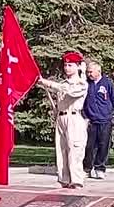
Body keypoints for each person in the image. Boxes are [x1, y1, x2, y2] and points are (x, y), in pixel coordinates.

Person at [37, 52, 90, 189]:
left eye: (70, 65)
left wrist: (47, 83)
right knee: (61, 150)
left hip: (74, 118)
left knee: (75, 150)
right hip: (61, 118)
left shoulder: (81, 83)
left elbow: (69, 91)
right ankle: (64, 179)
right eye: (65, 65)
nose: (67, 68)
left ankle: (76, 181)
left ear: (78, 66)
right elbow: (60, 91)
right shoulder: (63, 83)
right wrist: (41, 82)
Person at [81, 60, 114, 180]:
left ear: (98, 71)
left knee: (103, 145)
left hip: (105, 120)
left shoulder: (107, 83)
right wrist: (85, 116)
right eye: (88, 72)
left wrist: (110, 114)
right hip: (91, 121)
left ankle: (100, 168)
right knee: (89, 146)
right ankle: (87, 168)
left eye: (91, 72)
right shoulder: (87, 84)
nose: (89, 74)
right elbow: (82, 101)